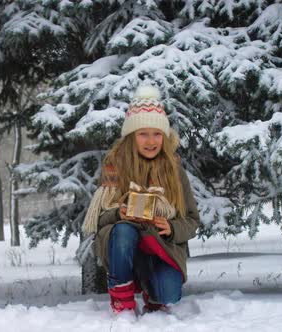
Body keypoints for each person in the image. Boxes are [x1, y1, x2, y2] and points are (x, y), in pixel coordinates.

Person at [82, 85, 200, 315]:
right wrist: (119, 214)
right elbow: (98, 221)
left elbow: (192, 220)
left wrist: (172, 227)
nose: (151, 141)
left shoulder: (174, 170)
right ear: (131, 136)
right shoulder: (114, 166)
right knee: (124, 231)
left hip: (159, 246)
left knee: (169, 295)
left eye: (157, 133)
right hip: (124, 246)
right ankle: (121, 295)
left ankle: (151, 286)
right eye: (143, 134)